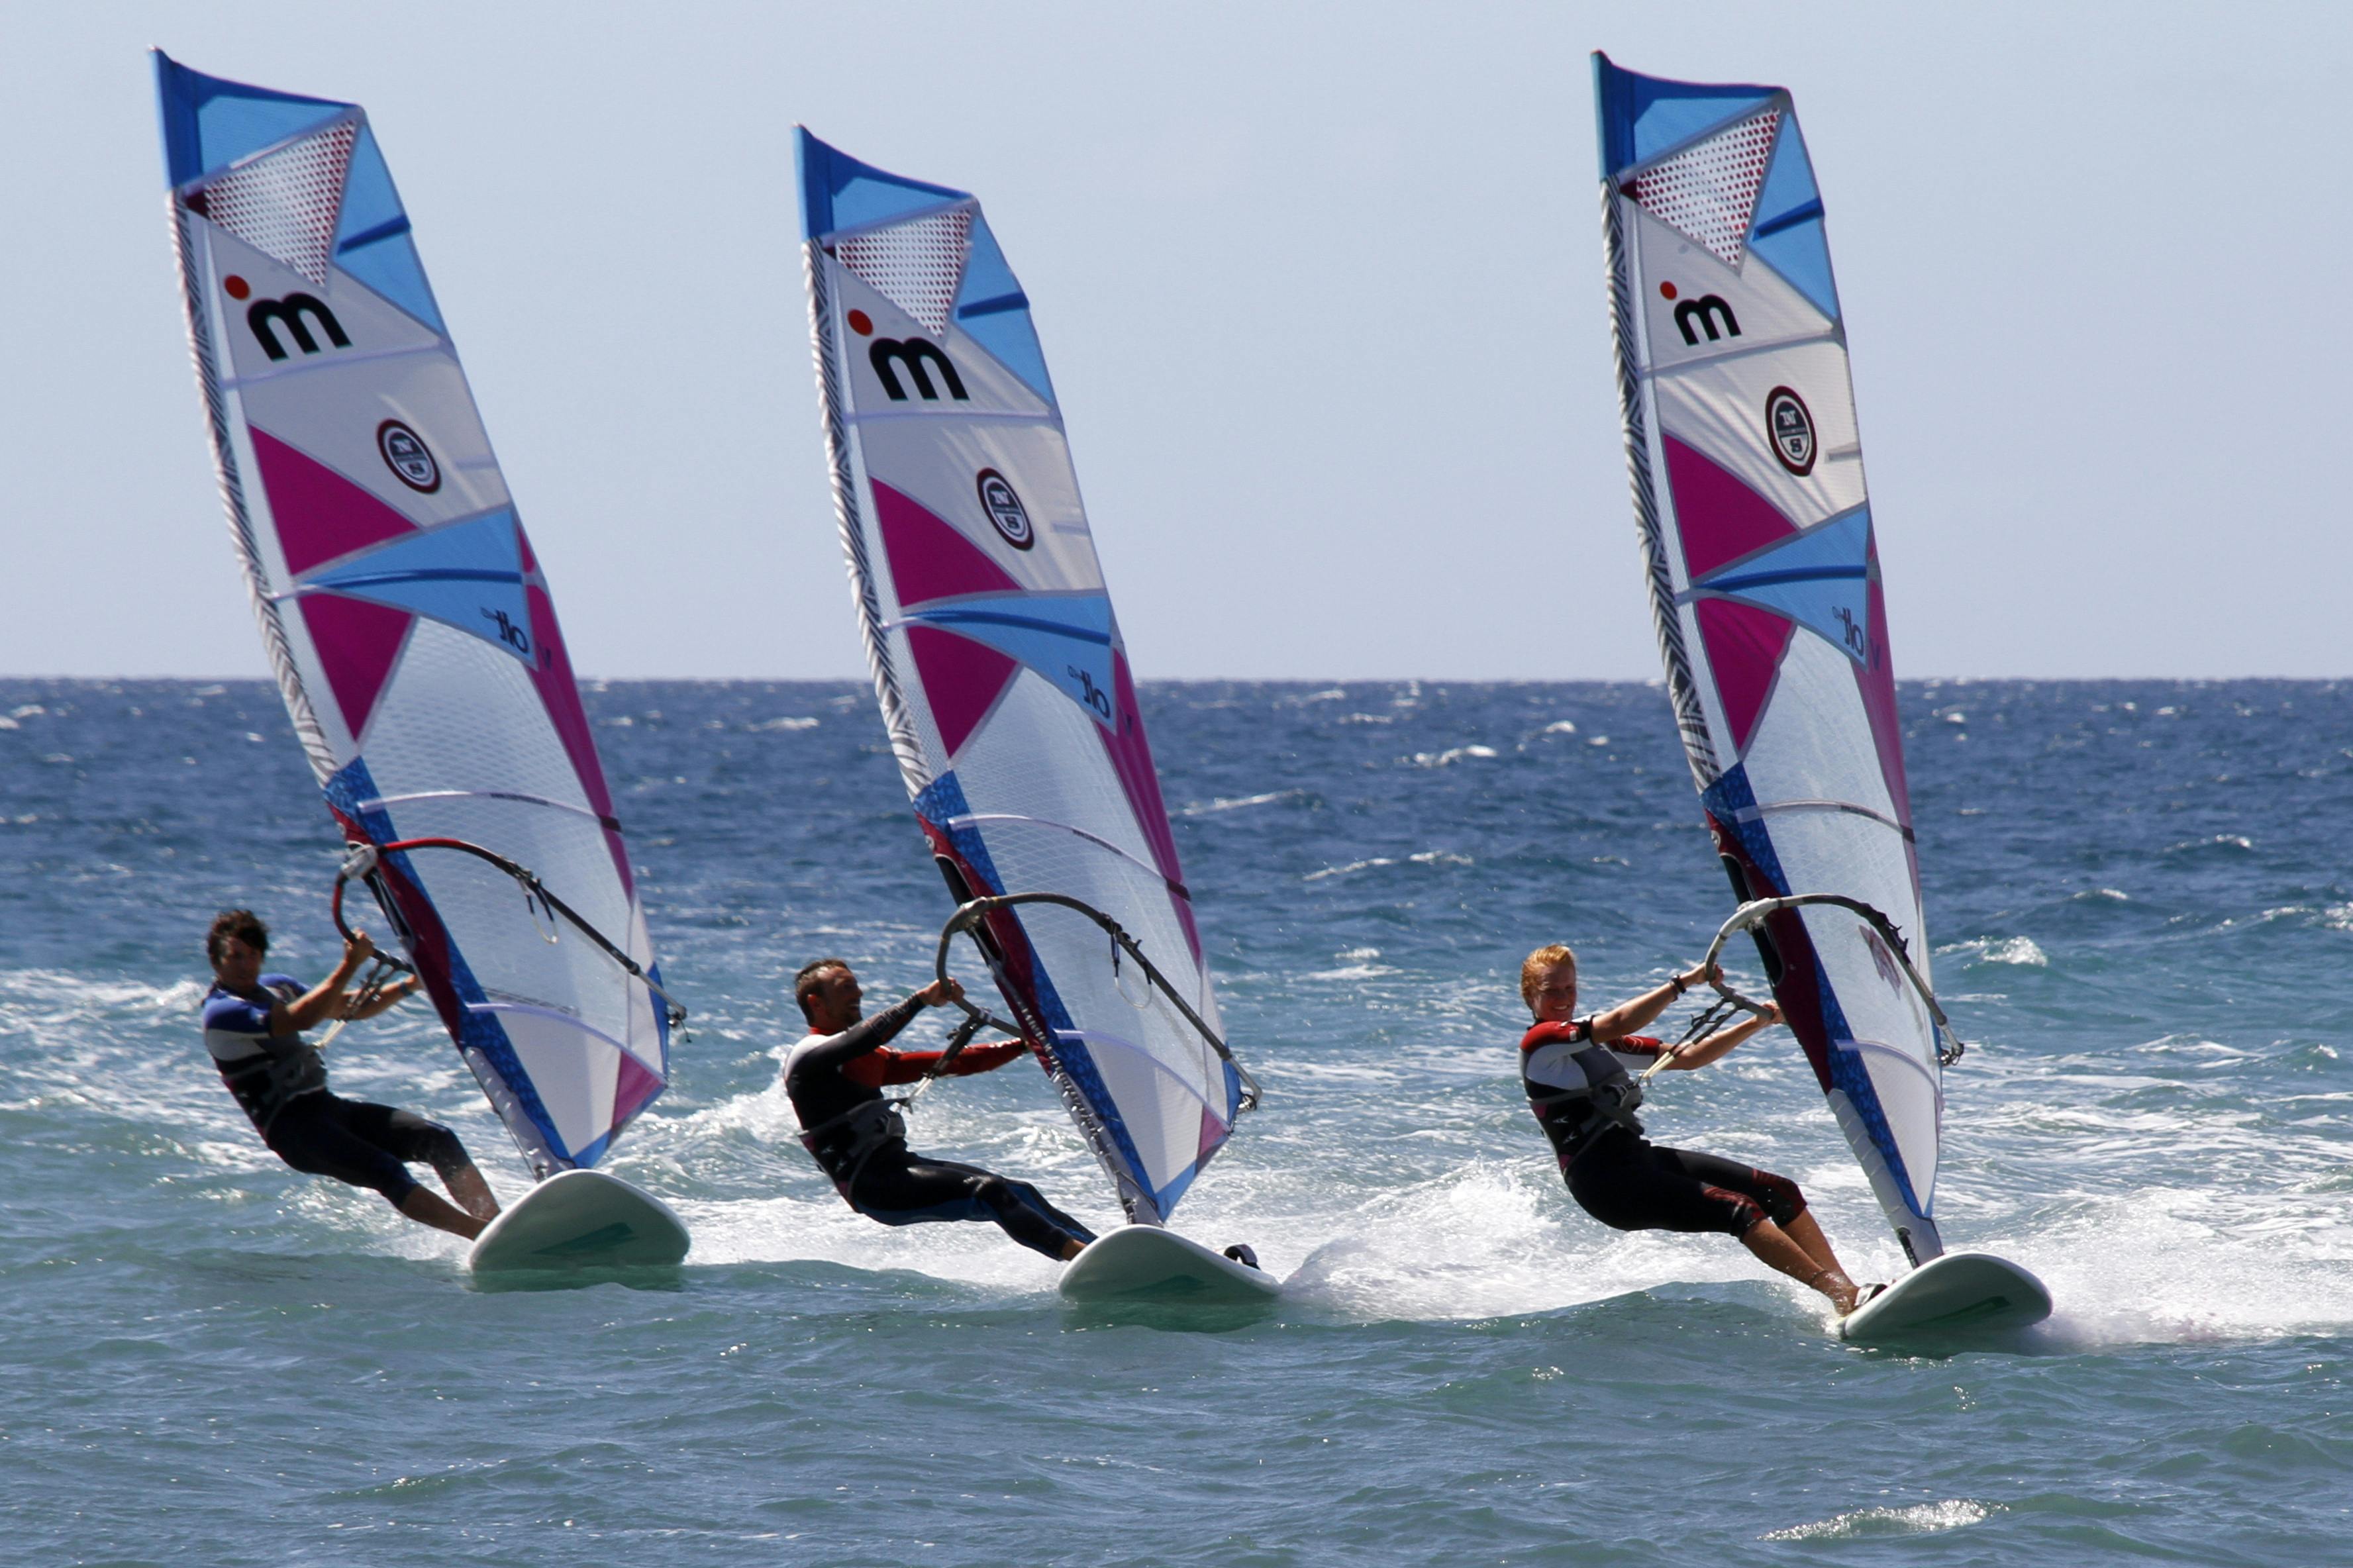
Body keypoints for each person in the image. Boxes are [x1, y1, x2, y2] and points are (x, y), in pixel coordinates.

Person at [1517, 942, 1876, 1315]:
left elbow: (1689, 1058)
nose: (1563, 998)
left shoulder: (1600, 1044)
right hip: (1605, 1183)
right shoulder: (1540, 1043)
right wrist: (1684, 982)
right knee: (1738, 1209)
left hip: (1638, 1161)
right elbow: (1620, 1020)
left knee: (1777, 1190)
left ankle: (1849, 1294)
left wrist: (1756, 1023)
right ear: (1531, 995)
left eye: (1569, 988)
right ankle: (1840, 1296)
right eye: (1551, 991)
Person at [202, 909, 499, 1240]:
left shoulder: (277, 987)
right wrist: (350, 965)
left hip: (327, 1108)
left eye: (253, 955)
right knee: (388, 1171)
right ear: (216, 962)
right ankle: (484, 1237)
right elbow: (298, 1020)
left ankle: (500, 1225)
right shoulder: (222, 1012)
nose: (246, 965)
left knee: (437, 1139)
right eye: (235, 957)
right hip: (293, 1130)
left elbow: (348, 1007)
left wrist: (409, 986)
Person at [784, 957, 1096, 1261]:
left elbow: (959, 1062)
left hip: (900, 1165)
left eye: (856, 985)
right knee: (988, 1190)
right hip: (872, 1187)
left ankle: (1099, 1248)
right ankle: (1080, 1257)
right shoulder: (808, 1057)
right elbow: (866, 1036)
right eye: (845, 987)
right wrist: (921, 999)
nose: (859, 993)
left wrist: (1023, 1044)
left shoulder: (870, 1058)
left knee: (1020, 1191)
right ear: (817, 1003)